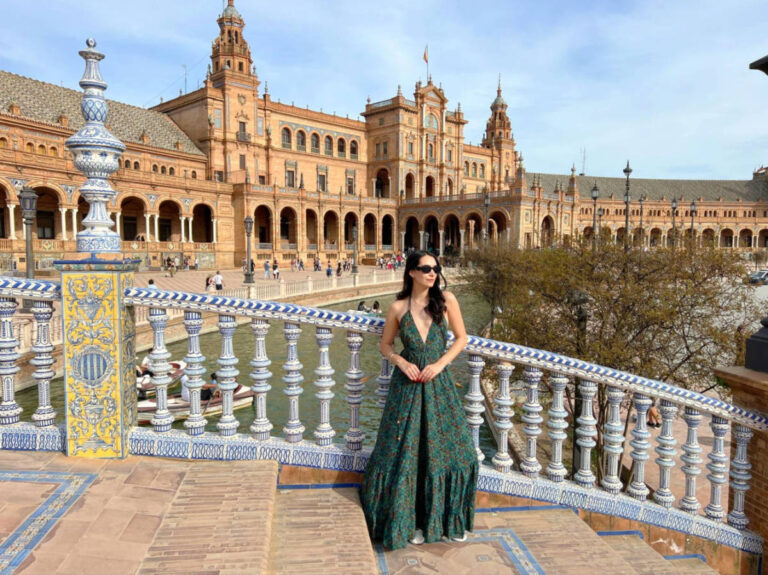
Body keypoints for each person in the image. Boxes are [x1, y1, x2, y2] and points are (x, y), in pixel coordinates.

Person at [361, 250, 476, 549]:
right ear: (411, 271)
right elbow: (385, 345)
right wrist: (400, 361)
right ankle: (406, 523)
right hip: (408, 388)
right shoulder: (398, 307)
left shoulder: (447, 301)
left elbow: (462, 338)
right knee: (406, 454)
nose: (432, 273)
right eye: (425, 268)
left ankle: (441, 522)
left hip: (439, 387)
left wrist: (440, 364)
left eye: (435, 268)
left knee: (450, 451)